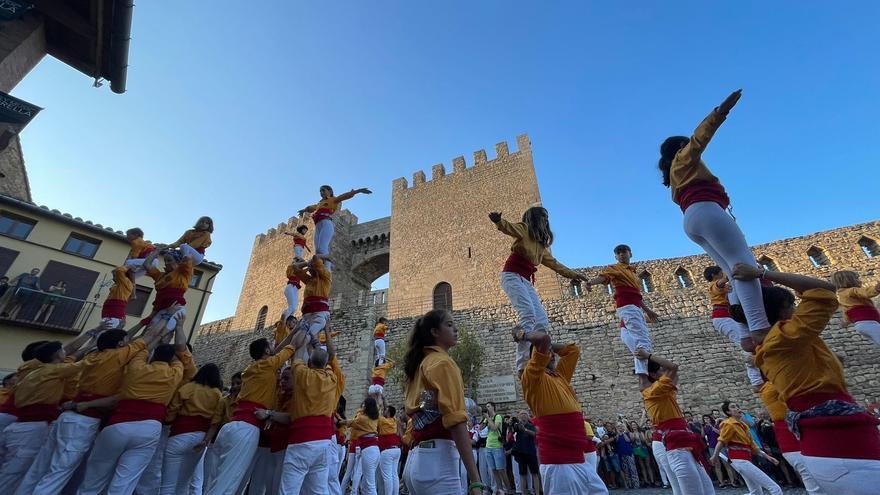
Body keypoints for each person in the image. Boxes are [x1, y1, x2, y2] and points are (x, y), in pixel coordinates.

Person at [733, 263, 880, 494]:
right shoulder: (786, 337)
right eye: (792, 306)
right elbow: (824, 290)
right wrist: (762, 273)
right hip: (846, 445)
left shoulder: (771, 347)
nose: (795, 310)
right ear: (783, 312)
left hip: (821, 447)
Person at [658, 89, 770, 351]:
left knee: (732, 273)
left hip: (692, 220)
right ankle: (759, 326)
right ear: (680, 148)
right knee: (744, 266)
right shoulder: (683, 159)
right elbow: (699, 140)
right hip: (707, 211)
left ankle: (744, 330)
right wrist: (721, 111)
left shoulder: (673, 175)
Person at [17, 329, 141, 494]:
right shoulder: (63, 368)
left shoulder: (85, 360)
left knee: (40, 467)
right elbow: (147, 339)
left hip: (65, 418)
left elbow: (77, 355)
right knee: (59, 470)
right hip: (81, 422)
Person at [77, 320, 193, 495]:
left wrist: (161, 335)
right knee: (124, 481)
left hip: (118, 424)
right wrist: (177, 329)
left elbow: (143, 349)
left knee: (95, 477)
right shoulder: (176, 373)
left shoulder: (135, 367)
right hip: (150, 428)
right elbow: (180, 353)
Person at [489, 207, 586, 372]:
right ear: (534, 218)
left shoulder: (541, 248)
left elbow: (555, 264)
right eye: (543, 217)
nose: (545, 220)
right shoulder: (524, 229)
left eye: (547, 217)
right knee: (527, 314)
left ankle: (540, 357)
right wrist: (498, 221)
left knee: (541, 320)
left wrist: (573, 275)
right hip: (512, 276)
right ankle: (523, 364)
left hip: (525, 281)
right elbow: (509, 227)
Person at [401, 309, 483, 494]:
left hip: (417, 461)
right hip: (439, 462)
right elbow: (456, 420)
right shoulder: (442, 363)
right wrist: (475, 480)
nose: (456, 329)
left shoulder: (420, 366)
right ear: (434, 332)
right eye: (449, 324)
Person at [206, 329, 297, 495]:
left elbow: (277, 351)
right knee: (227, 484)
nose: (273, 347)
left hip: (230, 427)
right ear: (267, 351)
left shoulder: (252, 368)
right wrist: (302, 330)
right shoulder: (269, 365)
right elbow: (291, 348)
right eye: (270, 346)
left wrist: (294, 330)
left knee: (214, 479)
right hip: (247, 429)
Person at [518, 330, 607, 494]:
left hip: (579, 459)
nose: (552, 355)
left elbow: (573, 351)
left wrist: (550, 346)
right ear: (535, 358)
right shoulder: (531, 378)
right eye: (547, 352)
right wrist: (521, 335)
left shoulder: (559, 376)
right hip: (559, 464)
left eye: (552, 352)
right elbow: (543, 339)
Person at [256, 328, 344, 495]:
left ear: (309, 362)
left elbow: (298, 354)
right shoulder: (331, 377)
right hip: (324, 442)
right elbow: (325, 360)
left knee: (288, 489)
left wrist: (304, 334)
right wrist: (316, 341)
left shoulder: (302, 374)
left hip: (302, 440)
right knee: (318, 489)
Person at [0, 337, 94, 492]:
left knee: (10, 471)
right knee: (14, 474)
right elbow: (84, 363)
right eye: (62, 350)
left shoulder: (30, 370)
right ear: (57, 355)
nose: (66, 352)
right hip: (31, 429)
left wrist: (92, 339)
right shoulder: (53, 370)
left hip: (18, 426)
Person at [637, 348, 714, 495]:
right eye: (659, 371)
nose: (663, 372)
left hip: (682, 439)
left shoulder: (664, 390)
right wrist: (648, 356)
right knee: (687, 486)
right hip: (673, 442)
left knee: (705, 485)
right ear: (653, 375)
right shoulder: (653, 391)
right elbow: (673, 367)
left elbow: (672, 370)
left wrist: (645, 358)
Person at [584, 245, 659, 375]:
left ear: (630, 254)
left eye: (624, 252)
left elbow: (636, 295)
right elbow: (604, 277)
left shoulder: (633, 274)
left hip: (634, 306)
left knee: (626, 336)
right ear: (616, 257)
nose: (621, 255)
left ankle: (641, 367)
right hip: (627, 305)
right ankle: (645, 371)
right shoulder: (615, 269)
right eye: (618, 253)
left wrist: (647, 310)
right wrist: (591, 283)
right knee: (642, 339)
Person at [159, 363, 224, 495]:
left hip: (179, 434)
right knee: (184, 483)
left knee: (167, 483)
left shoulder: (188, 387)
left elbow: (173, 409)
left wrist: (169, 421)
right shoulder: (217, 394)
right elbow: (216, 420)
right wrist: (206, 440)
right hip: (201, 437)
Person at [757, 382, 825, 493]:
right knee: (812, 478)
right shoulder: (771, 390)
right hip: (790, 444)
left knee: (813, 479)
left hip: (793, 443)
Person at [704, 266, 764, 386]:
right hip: (723, 318)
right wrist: (731, 272)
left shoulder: (725, 288)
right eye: (721, 272)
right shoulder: (713, 285)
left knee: (750, 343)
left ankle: (758, 378)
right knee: (748, 345)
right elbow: (720, 284)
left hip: (727, 317)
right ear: (714, 276)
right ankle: (756, 381)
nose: (722, 274)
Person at [711, 401, 782, 495]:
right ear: (728, 412)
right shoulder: (728, 424)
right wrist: (714, 456)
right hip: (739, 460)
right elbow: (721, 441)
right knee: (774, 488)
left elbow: (752, 445)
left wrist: (767, 456)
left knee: (756, 492)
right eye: (733, 407)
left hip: (745, 460)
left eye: (737, 406)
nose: (737, 408)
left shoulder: (744, 425)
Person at [299, 185, 372, 271]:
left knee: (322, 247)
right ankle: (320, 267)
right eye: (320, 191)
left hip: (326, 224)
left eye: (323, 190)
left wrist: (358, 191)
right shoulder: (319, 204)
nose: (321, 192)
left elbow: (344, 196)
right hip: (318, 226)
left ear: (330, 191)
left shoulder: (333, 200)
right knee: (317, 249)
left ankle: (327, 268)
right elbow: (310, 208)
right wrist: (303, 210)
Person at [289, 255, 332, 363]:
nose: (310, 270)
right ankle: (298, 362)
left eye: (313, 267)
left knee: (307, 337)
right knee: (298, 339)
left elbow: (316, 259)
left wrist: (321, 257)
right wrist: (306, 264)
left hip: (319, 314)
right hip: (307, 316)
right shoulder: (309, 280)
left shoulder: (326, 277)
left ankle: (302, 362)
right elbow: (295, 268)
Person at [142, 248, 195, 332]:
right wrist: (157, 251)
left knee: (160, 336)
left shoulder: (183, 274)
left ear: (178, 261)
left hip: (175, 308)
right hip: (160, 310)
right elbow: (146, 264)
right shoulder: (160, 276)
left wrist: (186, 248)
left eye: (169, 260)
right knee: (148, 332)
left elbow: (187, 259)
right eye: (165, 260)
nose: (166, 263)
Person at [343, 398, 382, 495]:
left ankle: (353, 492)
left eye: (364, 405)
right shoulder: (375, 418)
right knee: (366, 483)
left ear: (367, 406)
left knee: (369, 483)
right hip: (374, 449)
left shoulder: (362, 418)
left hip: (368, 450)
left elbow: (350, 422)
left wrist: (338, 422)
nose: (362, 407)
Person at [831, 270, 880, 345]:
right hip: (868, 322)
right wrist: (875, 289)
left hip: (861, 325)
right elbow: (865, 292)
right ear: (849, 280)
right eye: (856, 278)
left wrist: (845, 322)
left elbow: (847, 311)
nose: (859, 280)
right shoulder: (851, 291)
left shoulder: (843, 297)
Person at [482, 401, 509, 494]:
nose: (487, 408)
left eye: (488, 406)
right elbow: (480, 428)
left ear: (493, 407)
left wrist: (488, 419)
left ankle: (508, 490)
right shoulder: (487, 418)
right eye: (486, 406)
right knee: (494, 471)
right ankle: (500, 490)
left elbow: (494, 428)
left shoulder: (498, 417)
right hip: (488, 446)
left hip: (497, 446)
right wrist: (484, 418)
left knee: (501, 470)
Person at [513, 410, 540, 495]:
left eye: (525, 414)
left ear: (528, 416)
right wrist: (518, 424)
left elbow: (534, 434)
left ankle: (537, 493)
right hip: (521, 453)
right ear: (519, 416)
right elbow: (514, 429)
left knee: (534, 473)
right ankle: (523, 493)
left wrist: (525, 430)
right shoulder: (517, 426)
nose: (523, 416)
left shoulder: (531, 426)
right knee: (522, 474)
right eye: (521, 414)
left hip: (531, 452)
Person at [378, 404, 402, 495]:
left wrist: (379, 399)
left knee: (387, 476)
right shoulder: (394, 420)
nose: (384, 411)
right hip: (396, 450)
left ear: (388, 412)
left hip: (387, 450)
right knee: (394, 475)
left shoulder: (383, 420)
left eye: (386, 410)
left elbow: (378, 412)